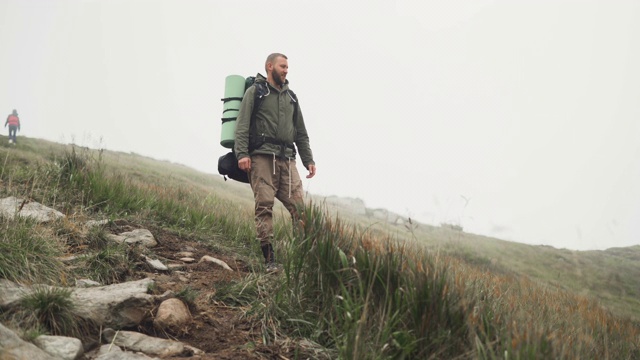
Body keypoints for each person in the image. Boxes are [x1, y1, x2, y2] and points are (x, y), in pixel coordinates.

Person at [234, 53, 316, 272]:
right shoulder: (256, 92)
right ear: (270, 67)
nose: (286, 70)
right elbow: (242, 125)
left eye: (287, 67)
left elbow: (301, 133)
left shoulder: (292, 98)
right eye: (282, 66)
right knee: (264, 207)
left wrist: (308, 159)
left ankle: (302, 259)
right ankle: (270, 260)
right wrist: (242, 154)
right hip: (261, 159)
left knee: (300, 210)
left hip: (288, 161)